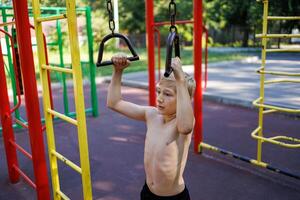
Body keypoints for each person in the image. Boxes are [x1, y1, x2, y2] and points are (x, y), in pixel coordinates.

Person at [107, 54, 196, 200]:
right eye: (158, 91)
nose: (160, 98)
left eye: (167, 94)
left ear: (183, 98)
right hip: (148, 192)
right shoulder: (151, 115)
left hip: (173, 197)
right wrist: (118, 71)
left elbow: (186, 127)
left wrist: (181, 80)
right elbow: (114, 103)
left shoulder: (181, 123)